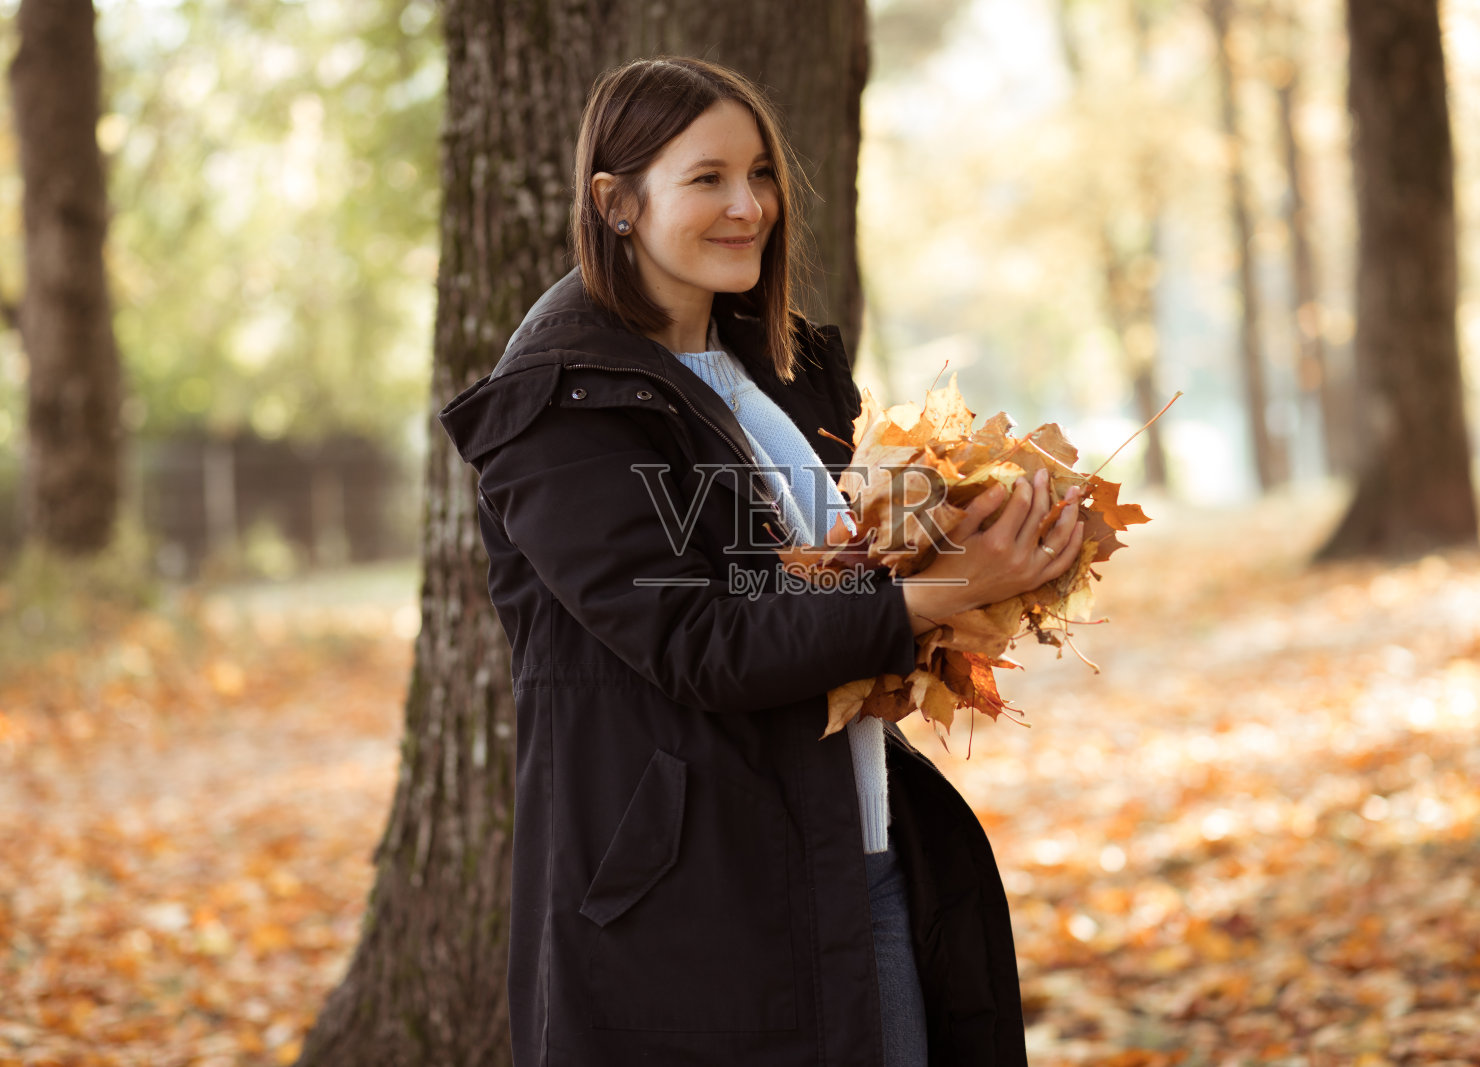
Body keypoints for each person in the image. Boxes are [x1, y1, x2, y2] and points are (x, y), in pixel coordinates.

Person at [438, 55, 1084, 1067]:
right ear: (615, 201)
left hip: (854, 848)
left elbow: (814, 582)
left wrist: (979, 557)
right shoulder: (563, 405)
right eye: (707, 179)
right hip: (698, 906)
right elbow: (698, 638)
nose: (748, 206)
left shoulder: (780, 374)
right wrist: (939, 592)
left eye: (760, 174)